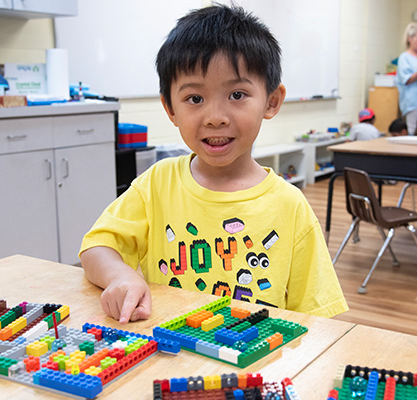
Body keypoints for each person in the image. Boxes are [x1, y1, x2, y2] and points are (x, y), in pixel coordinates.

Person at [79, 5, 348, 324]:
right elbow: (96, 247)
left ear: (271, 102)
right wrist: (121, 277)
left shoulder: (290, 206)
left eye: (237, 94)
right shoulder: (157, 184)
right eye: (195, 99)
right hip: (172, 356)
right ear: (170, 108)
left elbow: (319, 318)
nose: (216, 117)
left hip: (259, 364)